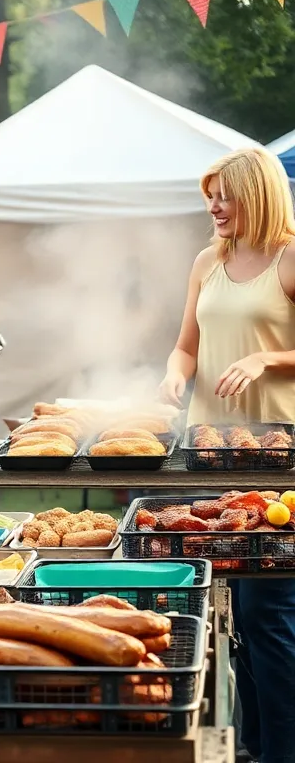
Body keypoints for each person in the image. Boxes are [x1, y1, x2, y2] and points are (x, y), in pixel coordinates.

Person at [158, 147, 295, 763]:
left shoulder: (290, 258)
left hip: (279, 457)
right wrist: (174, 376)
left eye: (225, 194)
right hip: (210, 456)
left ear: (259, 195)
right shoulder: (207, 261)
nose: (213, 205)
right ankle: (251, 744)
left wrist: (269, 358)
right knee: (233, 611)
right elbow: (186, 346)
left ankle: (279, 749)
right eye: (209, 194)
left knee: (270, 612)